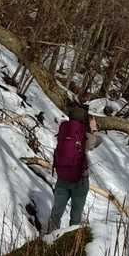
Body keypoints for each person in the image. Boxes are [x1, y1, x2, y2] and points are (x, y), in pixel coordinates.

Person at [47, 99, 100, 232]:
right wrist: (93, 129)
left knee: (56, 213)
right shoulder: (85, 136)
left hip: (62, 177)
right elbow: (98, 141)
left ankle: (49, 238)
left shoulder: (64, 129)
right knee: (75, 218)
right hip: (80, 181)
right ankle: (70, 241)